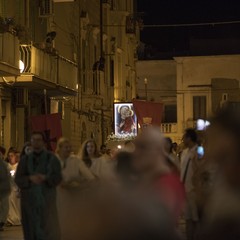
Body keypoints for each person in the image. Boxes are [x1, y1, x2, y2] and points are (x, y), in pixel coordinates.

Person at [132, 127, 185, 224]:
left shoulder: (166, 184)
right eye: (135, 147)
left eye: (142, 147)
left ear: (158, 149)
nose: (136, 153)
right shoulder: (148, 178)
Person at [15, 131, 62, 240]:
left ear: (43, 142)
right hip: (29, 201)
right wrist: (30, 178)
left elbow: (58, 177)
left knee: (49, 229)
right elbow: (18, 179)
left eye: (39, 140)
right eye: (34, 140)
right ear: (31, 142)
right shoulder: (25, 160)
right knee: (31, 229)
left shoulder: (52, 158)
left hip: (47, 199)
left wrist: (45, 178)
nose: (36, 142)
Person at [56, 138, 96, 239]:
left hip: (73, 198)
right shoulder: (53, 160)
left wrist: (79, 186)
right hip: (57, 197)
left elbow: (90, 178)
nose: (68, 149)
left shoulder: (76, 161)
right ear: (59, 148)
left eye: (70, 147)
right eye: (66, 147)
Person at [180, 128, 199, 240]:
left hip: (194, 190)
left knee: (196, 218)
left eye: (184, 137)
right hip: (185, 189)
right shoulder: (185, 153)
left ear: (189, 138)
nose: (182, 140)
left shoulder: (199, 151)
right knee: (188, 218)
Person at [7, 150, 21, 226]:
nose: (10, 158)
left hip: (16, 187)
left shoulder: (18, 166)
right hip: (8, 187)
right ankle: (10, 219)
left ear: (15, 157)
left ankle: (16, 219)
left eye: (12, 156)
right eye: (9, 156)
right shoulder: (7, 166)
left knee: (15, 204)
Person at [0, 146, 11, 231]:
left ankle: (2, 222)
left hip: (4, 188)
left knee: (4, 206)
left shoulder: (6, 165)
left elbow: (9, 177)